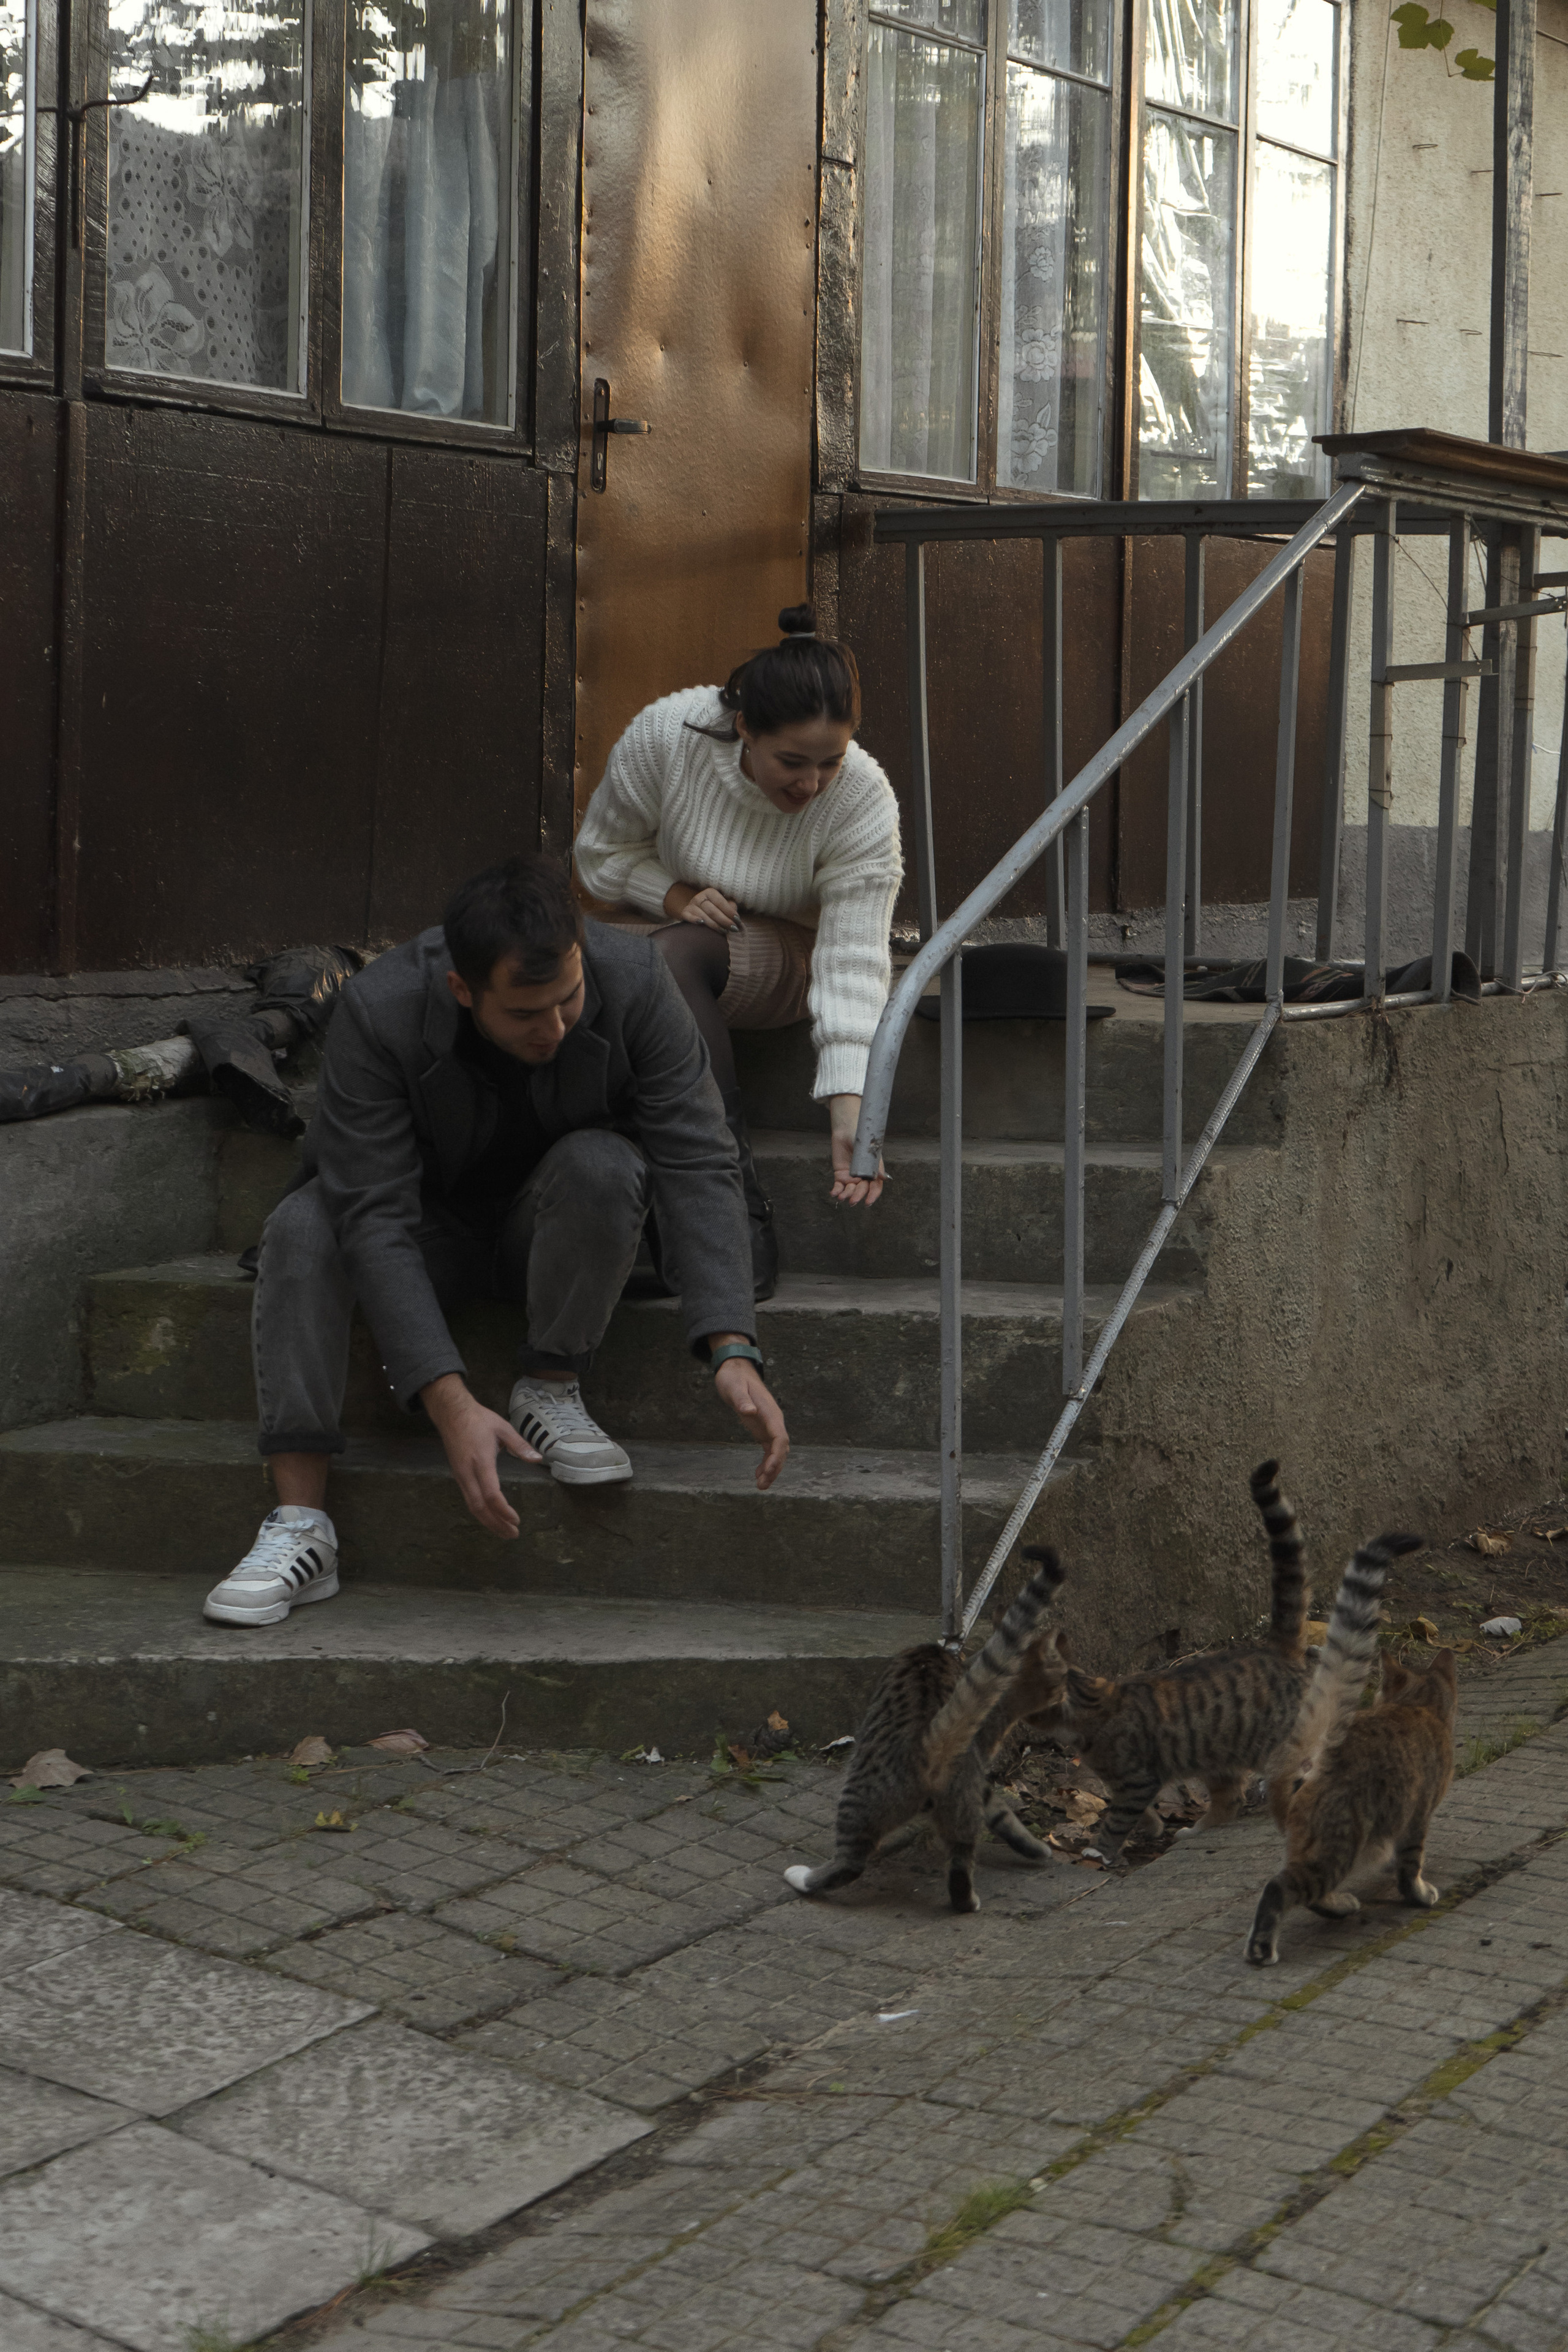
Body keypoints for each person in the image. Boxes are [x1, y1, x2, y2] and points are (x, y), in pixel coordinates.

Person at [203, 853, 788, 1627]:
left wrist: (730, 1343)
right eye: (524, 1014)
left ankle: (549, 1384)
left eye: (569, 1000)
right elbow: (372, 1214)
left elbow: (697, 1155)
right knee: (305, 1223)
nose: (554, 1028)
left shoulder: (638, 979)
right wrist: (450, 1404)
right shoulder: (379, 1010)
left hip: (558, 1229)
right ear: (462, 988)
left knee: (607, 1163)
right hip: (424, 1233)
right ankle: (301, 1526)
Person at [573, 603, 902, 1297]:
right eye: (790, 761)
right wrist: (671, 893)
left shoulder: (864, 800)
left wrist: (852, 1109)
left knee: (665, 962)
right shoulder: (669, 735)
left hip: (787, 955)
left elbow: (852, 961)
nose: (809, 784)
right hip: (667, 922)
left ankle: (731, 1211)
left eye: (830, 763)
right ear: (744, 728)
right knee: (567, 958)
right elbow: (599, 856)